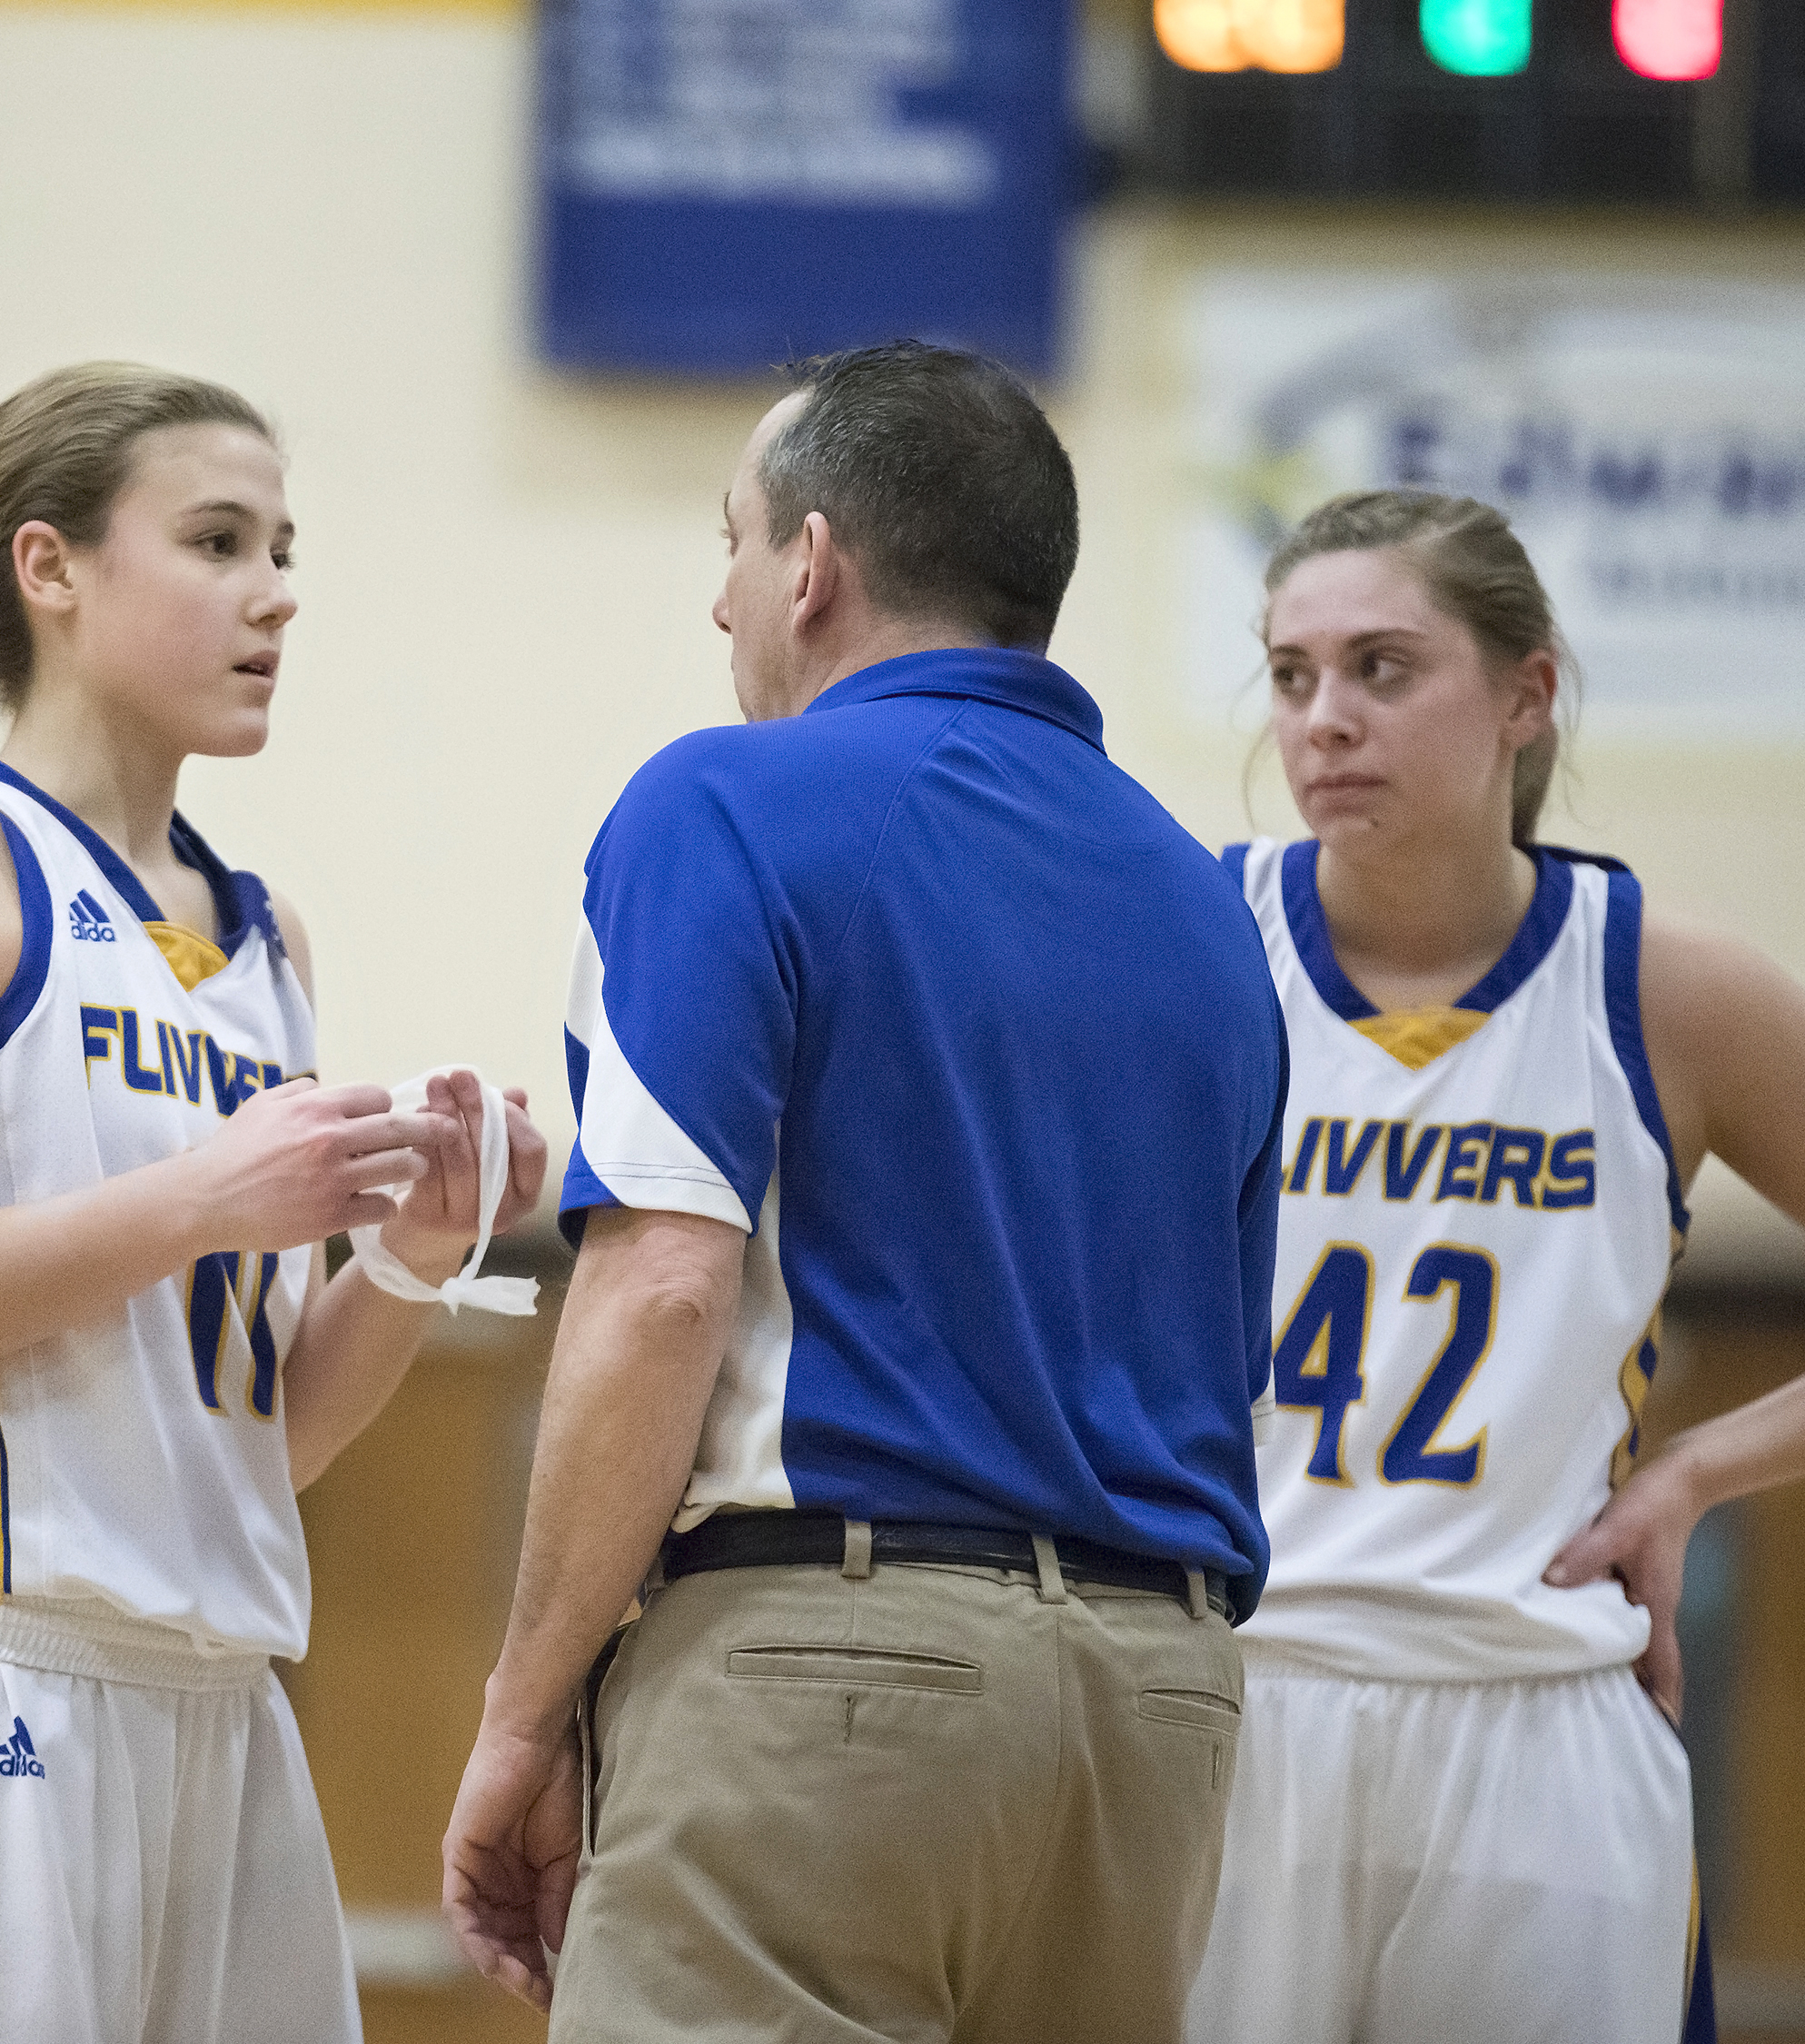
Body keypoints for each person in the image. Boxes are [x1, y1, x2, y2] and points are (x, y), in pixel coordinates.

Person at [441, 340, 1288, 2043]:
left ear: (813, 564)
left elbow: (662, 1289)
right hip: (1163, 1712)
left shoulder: (721, 802)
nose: (722, 600)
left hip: (830, 1675)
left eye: (735, 541)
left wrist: (524, 1714)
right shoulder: (1210, 906)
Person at [0, 362, 546, 2044]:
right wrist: (200, 1199)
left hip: (224, 1712)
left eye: (284, 549)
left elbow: (260, 1448)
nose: (275, 592)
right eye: (219, 541)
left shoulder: (266, 938)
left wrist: (412, 1250)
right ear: (52, 567)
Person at [1184, 488, 1805, 2044]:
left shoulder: (1663, 988)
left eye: (1381, 667)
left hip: (1535, 1713)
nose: (1324, 718)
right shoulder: (1194, 943)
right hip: (1237, 1685)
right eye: (1292, 675)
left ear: (1529, 693)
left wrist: (1694, 1474)